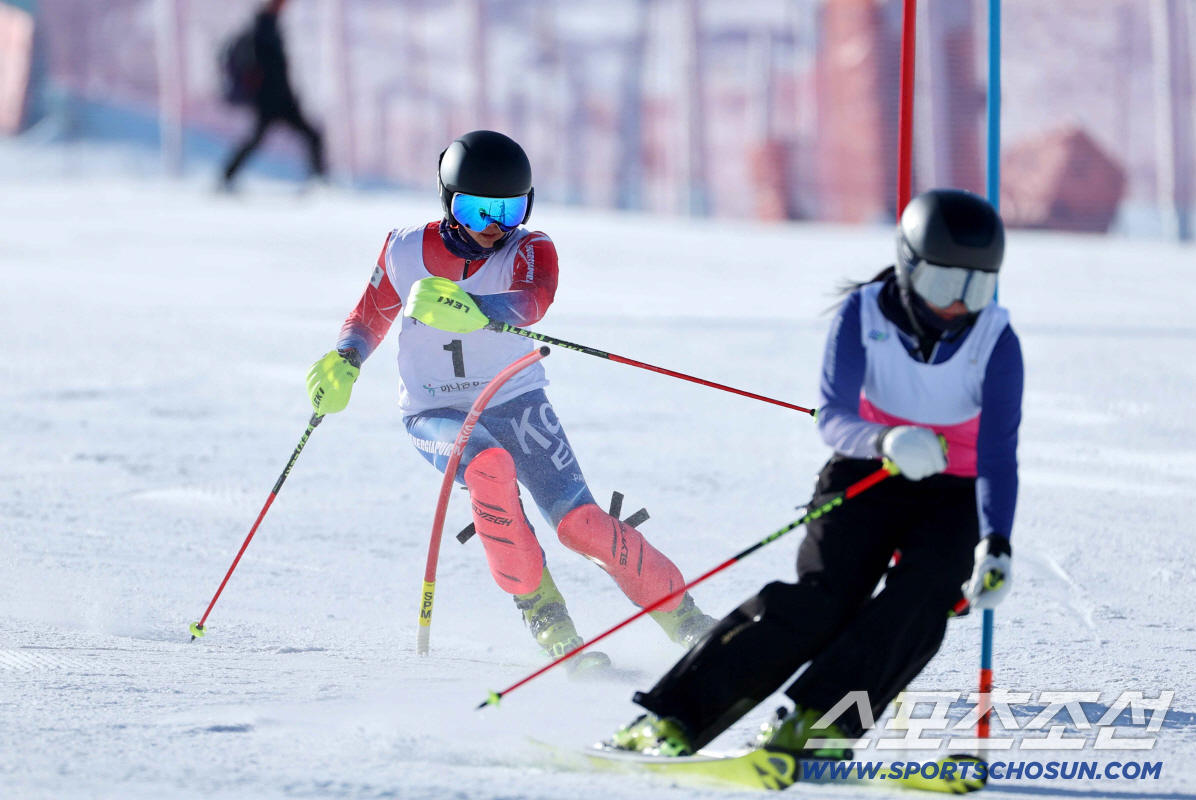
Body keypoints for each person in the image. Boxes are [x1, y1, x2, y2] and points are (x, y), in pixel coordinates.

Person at [607, 189, 1023, 761]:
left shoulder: (995, 341)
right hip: (868, 471)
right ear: (908, 266)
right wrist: (885, 439)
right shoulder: (865, 313)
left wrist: (996, 543)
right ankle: (674, 718)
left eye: (977, 287)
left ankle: (818, 724)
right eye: (943, 283)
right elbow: (832, 416)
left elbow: (999, 454)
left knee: (923, 599)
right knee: (824, 599)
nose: (958, 304)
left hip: (954, 496)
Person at [304, 130, 714, 669]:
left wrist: (476, 307)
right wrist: (346, 358)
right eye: (478, 212)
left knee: (580, 525)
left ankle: (687, 620)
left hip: (515, 400)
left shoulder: (531, 247)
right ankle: (549, 621)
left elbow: (532, 300)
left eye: (510, 209)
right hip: (435, 412)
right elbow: (368, 315)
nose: (495, 227)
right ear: (449, 203)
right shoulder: (404, 248)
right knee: (489, 468)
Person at [221, 0, 325, 189]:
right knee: (258, 140)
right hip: (271, 100)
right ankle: (226, 177)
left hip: (279, 99)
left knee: (309, 136)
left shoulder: (269, 27)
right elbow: (269, 69)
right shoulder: (262, 29)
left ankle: (319, 180)